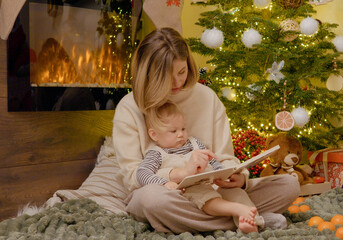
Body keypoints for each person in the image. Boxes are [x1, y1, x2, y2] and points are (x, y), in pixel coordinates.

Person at [112, 27, 300, 233]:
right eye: (167, 76)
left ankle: (224, 216)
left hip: (214, 191)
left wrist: (239, 178)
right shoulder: (129, 107)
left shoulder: (207, 97)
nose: (177, 82)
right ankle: (250, 218)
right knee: (152, 201)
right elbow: (133, 178)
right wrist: (180, 174)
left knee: (289, 185)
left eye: (181, 72)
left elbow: (225, 157)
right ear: (150, 74)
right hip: (166, 194)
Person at [140, 101, 260, 233]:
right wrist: (165, 183)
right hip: (191, 191)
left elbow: (213, 161)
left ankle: (252, 223)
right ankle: (236, 209)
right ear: (154, 134)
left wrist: (221, 173)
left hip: (212, 184)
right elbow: (142, 173)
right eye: (173, 131)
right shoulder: (156, 154)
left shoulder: (195, 143)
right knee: (204, 195)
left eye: (183, 129)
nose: (180, 134)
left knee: (237, 192)